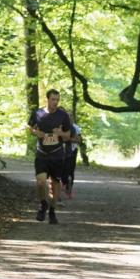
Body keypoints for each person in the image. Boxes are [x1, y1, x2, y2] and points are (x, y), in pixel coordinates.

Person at [27, 89, 74, 224]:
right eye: (53, 99)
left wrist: (60, 133)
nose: (55, 102)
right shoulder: (38, 113)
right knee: (41, 182)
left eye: (57, 100)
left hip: (57, 155)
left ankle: (52, 211)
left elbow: (68, 135)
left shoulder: (63, 115)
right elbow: (30, 128)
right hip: (42, 154)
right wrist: (36, 133)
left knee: (55, 184)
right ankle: (43, 204)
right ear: (47, 99)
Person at [60, 122, 82, 199]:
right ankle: (57, 190)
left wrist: (67, 138)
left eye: (70, 116)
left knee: (70, 171)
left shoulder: (75, 128)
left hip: (72, 151)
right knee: (59, 171)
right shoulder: (57, 125)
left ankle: (69, 189)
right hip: (58, 151)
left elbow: (79, 140)